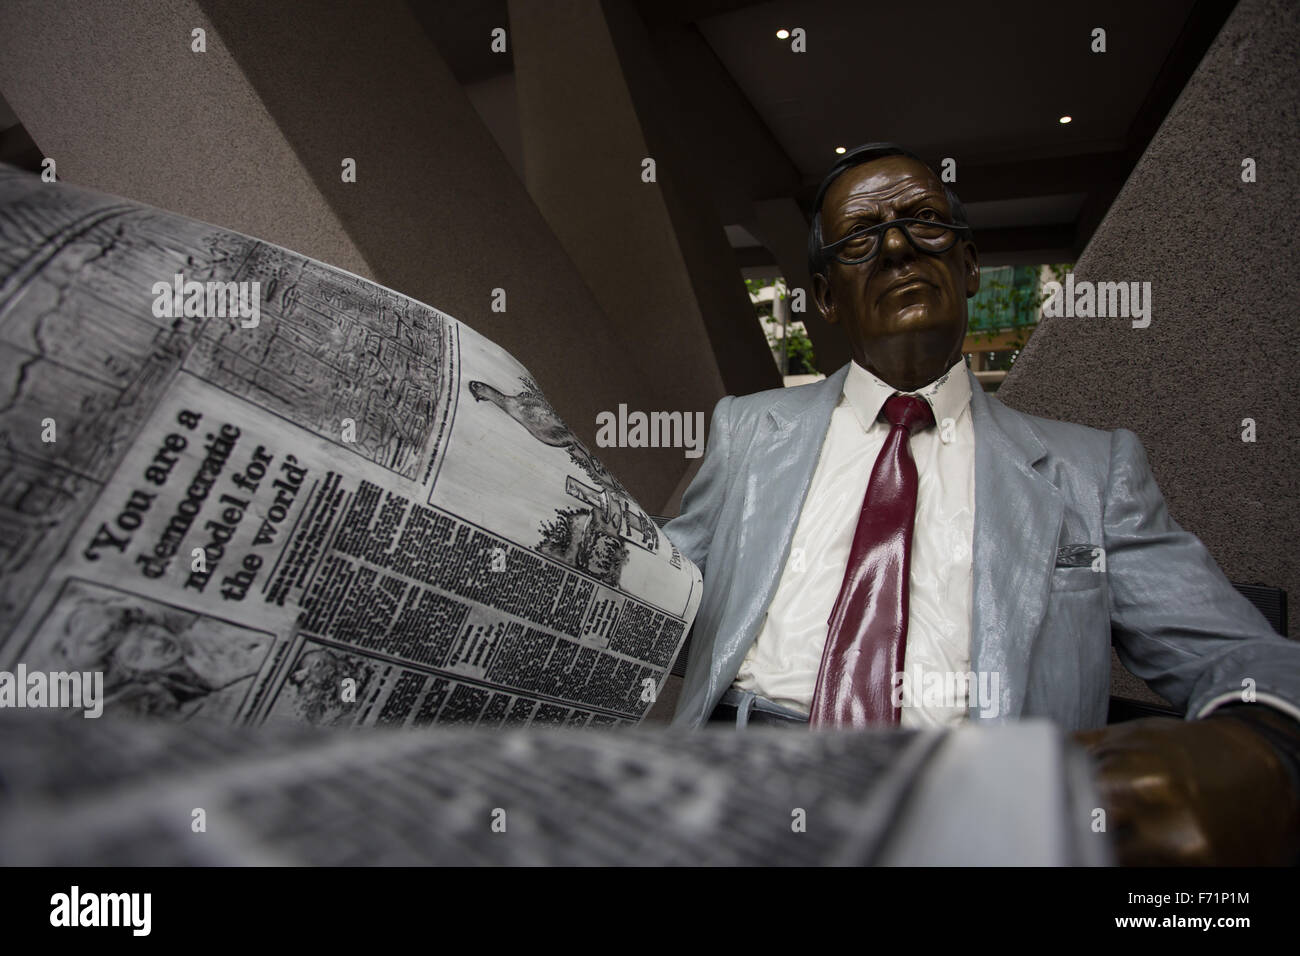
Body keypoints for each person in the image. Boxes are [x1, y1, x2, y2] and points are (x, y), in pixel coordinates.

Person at [663, 143, 1300, 864]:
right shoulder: (747, 432)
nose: (899, 247)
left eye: (924, 222)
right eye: (861, 237)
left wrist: (1248, 750)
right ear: (826, 297)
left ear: (967, 268)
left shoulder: (1093, 471)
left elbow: (1243, 655)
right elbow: (654, 602)